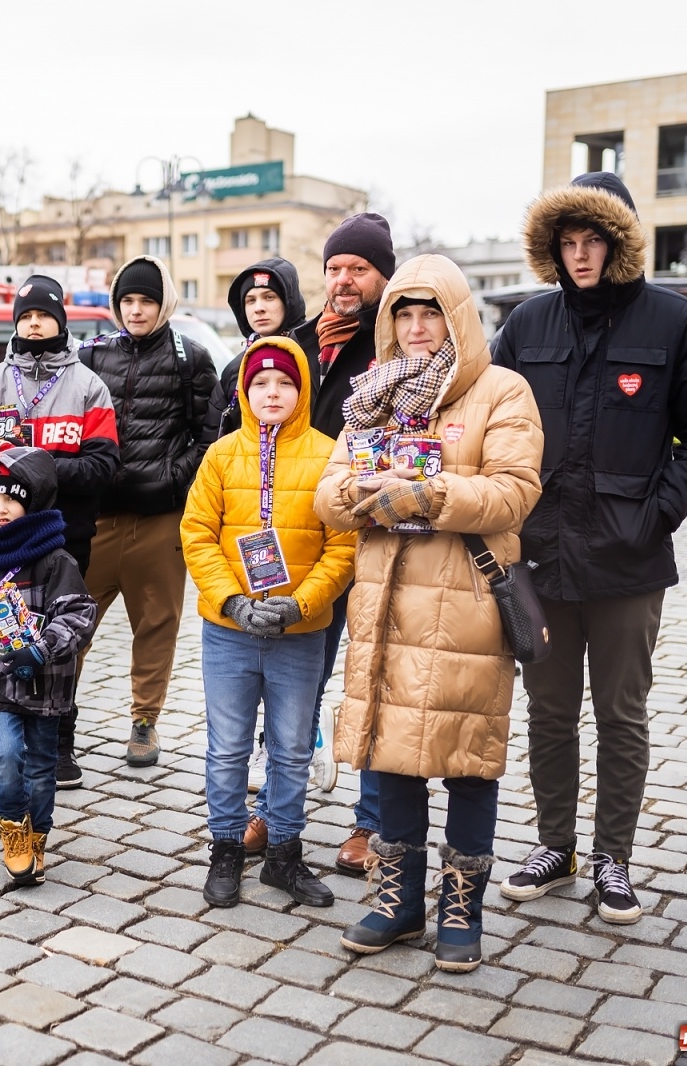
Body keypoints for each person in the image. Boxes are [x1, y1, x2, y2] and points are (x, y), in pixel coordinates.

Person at [493, 172, 687, 924]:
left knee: (621, 715)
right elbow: (493, 417)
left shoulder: (674, 321)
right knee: (549, 709)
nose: (579, 255)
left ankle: (613, 859)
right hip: (541, 555)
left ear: (619, 241)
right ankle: (554, 846)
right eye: (566, 243)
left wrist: (657, 512)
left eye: (592, 239)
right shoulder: (527, 325)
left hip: (629, 561)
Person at [315, 254, 543, 972]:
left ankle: (461, 907)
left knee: (468, 760)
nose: (415, 329)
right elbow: (328, 494)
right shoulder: (372, 395)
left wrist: (425, 494)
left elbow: (515, 491)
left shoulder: (501, 391)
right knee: (393, 760)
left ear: (457, 319)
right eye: (403, 316)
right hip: (384, 607)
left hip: (466, 605)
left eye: (429, 314)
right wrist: (363, 497)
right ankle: (397, 901)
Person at [182, 336, 354, 909]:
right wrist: (231, 600)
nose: (272, 392)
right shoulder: (222, 455)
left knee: (290, 749)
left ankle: (284, 853)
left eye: (285, 382)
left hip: (299, 634)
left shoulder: (332, 455)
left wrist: (300, 603)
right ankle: (227, 848)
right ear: (244, 390)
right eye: (261, 383)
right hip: (228, 632)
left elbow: (343, 545)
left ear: (302, 390)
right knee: (228, 748)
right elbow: (198, 534)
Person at [0, 275, 119, 786]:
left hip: (62, 537)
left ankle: (58, 742)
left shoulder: (87, 385)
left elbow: (103, 466)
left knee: (60, 636)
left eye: (44, 315)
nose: (34, 324)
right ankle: (3, 742)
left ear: (60, 321)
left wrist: (38, 469)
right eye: (26, 316)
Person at [76, 255, 219, 766]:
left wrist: (169, 479)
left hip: (160, 519)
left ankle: (145, 722)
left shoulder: (191, 358)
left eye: (147, 301)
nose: (136, 311)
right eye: (128, 301)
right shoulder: (92, 355)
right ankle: (56, 712)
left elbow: (208, 438)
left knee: (157, 623)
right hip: (99, 518)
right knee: (73, 617)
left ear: (164, 304)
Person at [295, 214, 397, 874]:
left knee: (376, 682)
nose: (344, 280)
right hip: (309, 539)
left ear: (383, 275)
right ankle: (275, 806)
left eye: (358, 268)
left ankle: (372, 825)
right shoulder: (302, 344)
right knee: (295, 679)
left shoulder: (397, 346)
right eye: (335, 267)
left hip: (384, 541)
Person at [0, 448, 97, 884]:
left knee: (42, 768)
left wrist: (42, 646)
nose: (1, 509)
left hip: (46, 686)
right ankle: (12, 828)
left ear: (34, 502)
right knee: (4, 755)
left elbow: (79, 614)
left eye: (12, 499)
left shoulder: (55, 560)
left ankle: (38, 833)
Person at [218, 257, 315, 435]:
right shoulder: (236, 368)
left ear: (288, 301)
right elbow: (215, 431)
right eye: (250, 300)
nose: (259, 308)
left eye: (269, 297)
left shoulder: (315, 354)